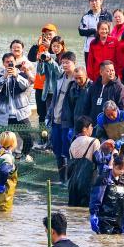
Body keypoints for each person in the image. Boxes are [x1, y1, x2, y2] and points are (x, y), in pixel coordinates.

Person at [39, 51, 77, 183]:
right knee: (57, 150)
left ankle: (69, 180)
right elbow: (55, 99)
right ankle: (62, 180)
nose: (65, 65)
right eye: (63, 62)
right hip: (55, 120)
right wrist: (49, 115)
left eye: (68, 62)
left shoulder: (77, 80)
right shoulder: (60, 78)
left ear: (74, 63)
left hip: (68, 122)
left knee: (67, 151)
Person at [0, 52, 35, 162]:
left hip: (20, 114)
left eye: (12, 61)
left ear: (15, 62)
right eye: (7, 62)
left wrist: (16, 75)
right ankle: (5, 159)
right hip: (4, 115)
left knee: (28, 138)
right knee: (4, 140)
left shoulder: (21, 74)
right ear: (3, 63)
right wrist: (5, 77)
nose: (10, 64)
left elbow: (25, 85)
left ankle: (24, 155)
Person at [95, 100, 124, 186]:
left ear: (116, 109)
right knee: (112, 164)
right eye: (108, 115)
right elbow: (99, 135)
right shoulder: (102, 119)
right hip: (110, 146)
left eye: (112, 114)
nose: (110, 117)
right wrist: (106, 141)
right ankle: (111, 184)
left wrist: (122, 141)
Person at [89, 152, 124, 235]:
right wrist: (93, 214)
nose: (122, 171)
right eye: (120, 168)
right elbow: (96, 198)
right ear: (114, 165)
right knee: (104, 242)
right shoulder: (104, 179)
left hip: (119, 220)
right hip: (104, 219)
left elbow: (122, 202)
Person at [27, 24, 59, 126]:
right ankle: (42, 136)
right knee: (41, 113)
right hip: (40, 85)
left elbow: (59, 62)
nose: (48, 36)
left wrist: (50, 47)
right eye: (45, 34)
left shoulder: (59, 46)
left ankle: (50, 136)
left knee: (52, 113)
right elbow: (31, 58)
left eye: (50, 34)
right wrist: (37, 45)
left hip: (52, 87)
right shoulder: (40, 47)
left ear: (55, 34)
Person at [67, 116, 101, 207]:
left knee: (73, 212)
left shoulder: (72, 143)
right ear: (85, 129)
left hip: (73, 184)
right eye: (90, 126)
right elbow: (98, 160)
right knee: (86, 212)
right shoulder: (94, 141)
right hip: (87, 183)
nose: (92, 129)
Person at [79, 0, 111, 65]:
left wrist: (90, 31)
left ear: (101, 1)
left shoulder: (107, 15)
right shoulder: (86, 16)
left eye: (96, 0)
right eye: (91, 0)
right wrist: (94, 31)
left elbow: (109, 32)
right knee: (90, 71)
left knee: (103, 69)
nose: (94, 3)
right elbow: (81, 32)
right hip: (88, 48)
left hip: (104, 47)